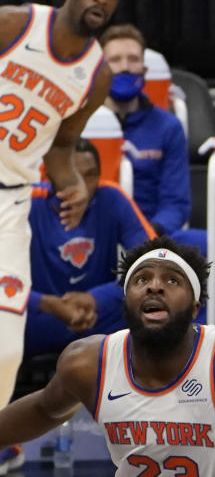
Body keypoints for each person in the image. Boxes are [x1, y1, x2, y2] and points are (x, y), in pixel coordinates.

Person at [0, 0, 140, 473]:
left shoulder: (95, 74)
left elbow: (60, 147)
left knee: (6, 348)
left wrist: (71, 184)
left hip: (11, 202)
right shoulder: (14, 25)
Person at [0, 235, 215, 476]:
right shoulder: (89, 362)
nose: (154, 285)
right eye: (141, 279)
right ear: (126, 301)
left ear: (195, 307)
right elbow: (44, 409)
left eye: (172, 280)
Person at [25, 139, 156, 360]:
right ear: (48, 175)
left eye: (91, 175)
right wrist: (48, 304)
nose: (82, 184)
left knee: (153, 308)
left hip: (98, 316)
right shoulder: (27, 202)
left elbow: (153, 263)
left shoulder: (112, 197)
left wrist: (96, 299)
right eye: (73, 175)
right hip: (39, 317)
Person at [100, 24, 192, 240]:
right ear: (100, 69)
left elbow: (176, 203)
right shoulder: (79, 122)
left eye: (133, 60)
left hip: (151, 234)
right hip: (92, 237)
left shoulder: (168, 126)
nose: (125, 68)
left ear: (144, 70)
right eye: (115, 60)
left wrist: (149, 234)